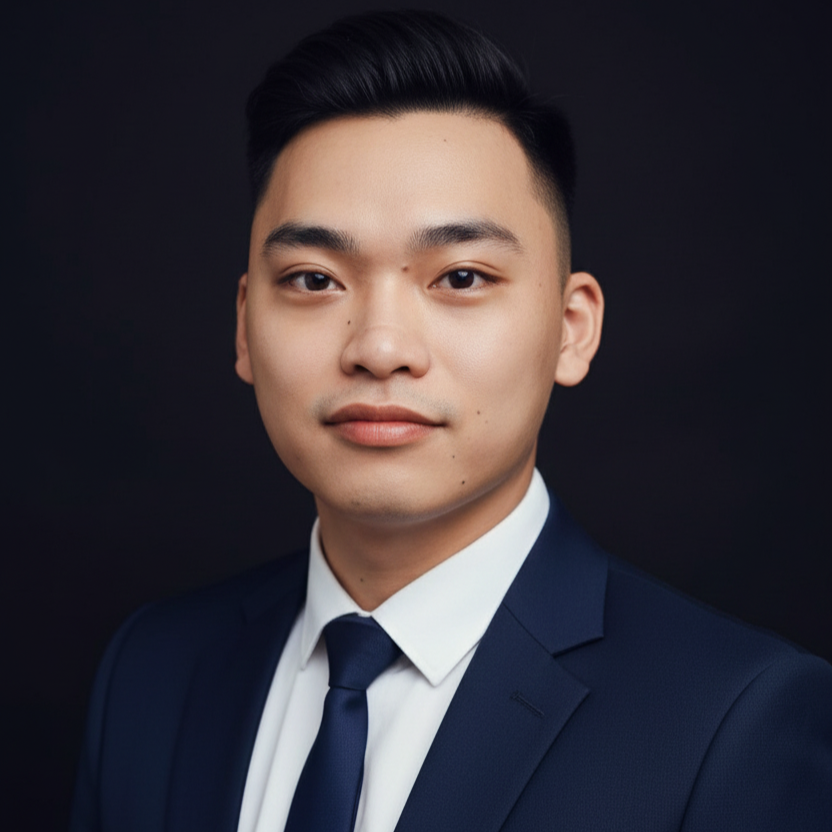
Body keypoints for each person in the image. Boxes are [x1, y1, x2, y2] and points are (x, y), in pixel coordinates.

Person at [69, 10, 832, 832]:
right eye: (315, 279)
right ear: (246, 325)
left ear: (572, 329)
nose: (381, 347)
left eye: (461, 276)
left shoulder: (736, 722)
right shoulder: (153, 669)